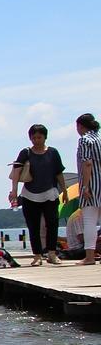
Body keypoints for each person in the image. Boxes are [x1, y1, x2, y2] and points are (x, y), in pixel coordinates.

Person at [10, 123, 66, 267]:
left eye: (39, 137)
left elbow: (59, 172)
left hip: (50, 193)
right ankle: (37, 255)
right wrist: (14, 191)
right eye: (33, 137)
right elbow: (16, 172)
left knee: (52, 224)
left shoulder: (53, 152)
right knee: (33, 226)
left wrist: (64, 190)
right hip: (29, 195)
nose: (36, 140)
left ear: (45, 137)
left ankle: (52, 253)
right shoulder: (25, 152)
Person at [75, 113, 100, 266]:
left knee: (90, 221)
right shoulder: (99, 139)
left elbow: (87, 163)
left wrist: (85, 185)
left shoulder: (85, 140)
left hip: (92, 184)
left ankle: (90, 256)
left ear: (80, 126)